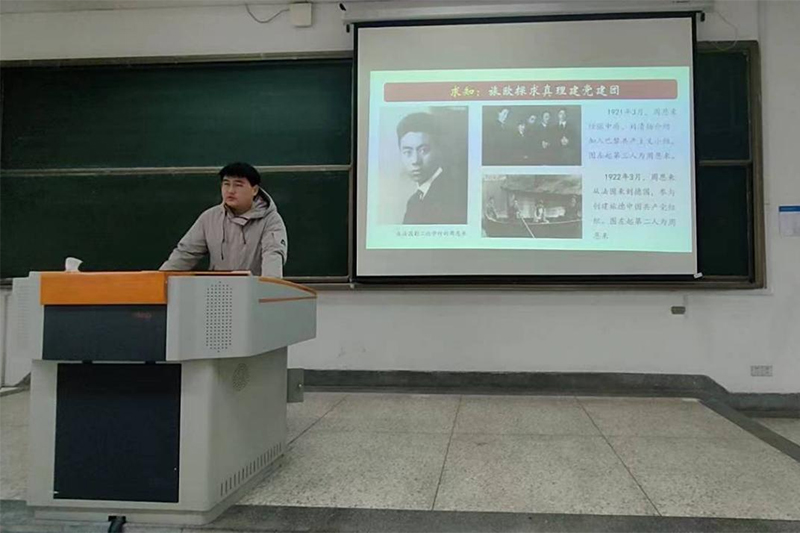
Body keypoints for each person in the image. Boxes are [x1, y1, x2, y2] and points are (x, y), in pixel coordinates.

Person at [160, 162, 288, 277]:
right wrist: (159, 280)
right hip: (217, 290)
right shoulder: (209, 217)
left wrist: (270, 286)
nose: (230, 190)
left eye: (238, 185)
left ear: (254, 190)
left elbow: (273, 256)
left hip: (254, 292)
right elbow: (185, 253)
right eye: (226, 184)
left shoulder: (271, 220)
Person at [397, 112, 467, 225]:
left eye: (423, 150)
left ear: (439, 149)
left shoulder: (453, 195)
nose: (415, 160)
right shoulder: (414, 201)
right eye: (407, 152)